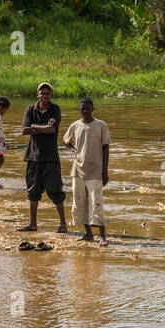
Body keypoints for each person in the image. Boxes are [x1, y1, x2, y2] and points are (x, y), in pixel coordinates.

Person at [20, 83, 66, 233]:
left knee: (55, 190)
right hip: (33, 157)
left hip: (50, 157)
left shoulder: (55, 109)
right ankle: (33, 223)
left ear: (51, 95)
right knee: (33, 191)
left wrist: (35, 127)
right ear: (38, 94)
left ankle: (63, 224)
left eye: (47, 93)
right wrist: (43, 128)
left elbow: (52, 129)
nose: (45, 96)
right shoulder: (30, 109)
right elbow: (25, 130)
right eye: (42, 93)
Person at [62, 97, 110, 243]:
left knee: (97, 203)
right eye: (82, 108)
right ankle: (88, 233)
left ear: (92, 109)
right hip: (78, 170)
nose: (85, 111)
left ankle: (102, 235)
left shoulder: (101, 125)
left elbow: (106, 148)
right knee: (80, 202)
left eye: (87, 108)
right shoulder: (75, 126)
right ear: (79, 110)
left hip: (96, 171)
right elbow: (65, 140)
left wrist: (105, 171)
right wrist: (72, 148)